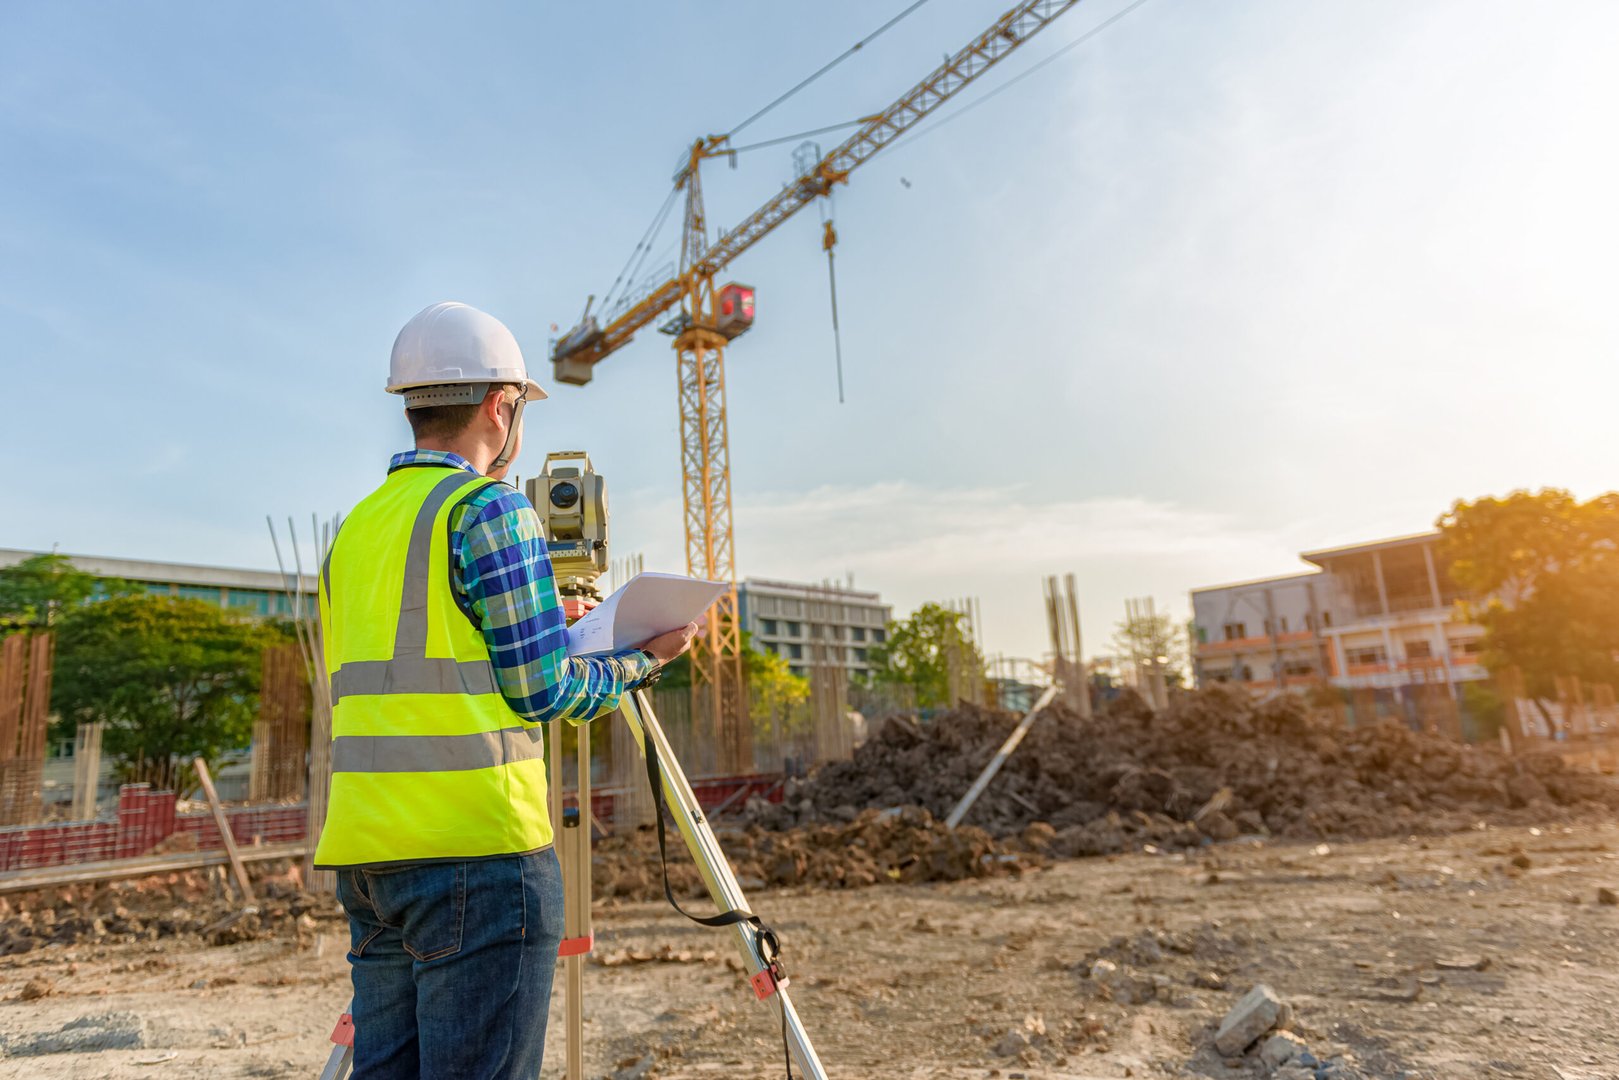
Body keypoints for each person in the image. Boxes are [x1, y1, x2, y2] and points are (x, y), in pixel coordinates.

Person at [313, 301, 696, 1078]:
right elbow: (542, 691)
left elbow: (412, 656)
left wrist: (532, 616)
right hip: (478, 855)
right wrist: (641, 661)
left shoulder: (357, 527)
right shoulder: (489, 507)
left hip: (368, 855)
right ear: (501, 405)